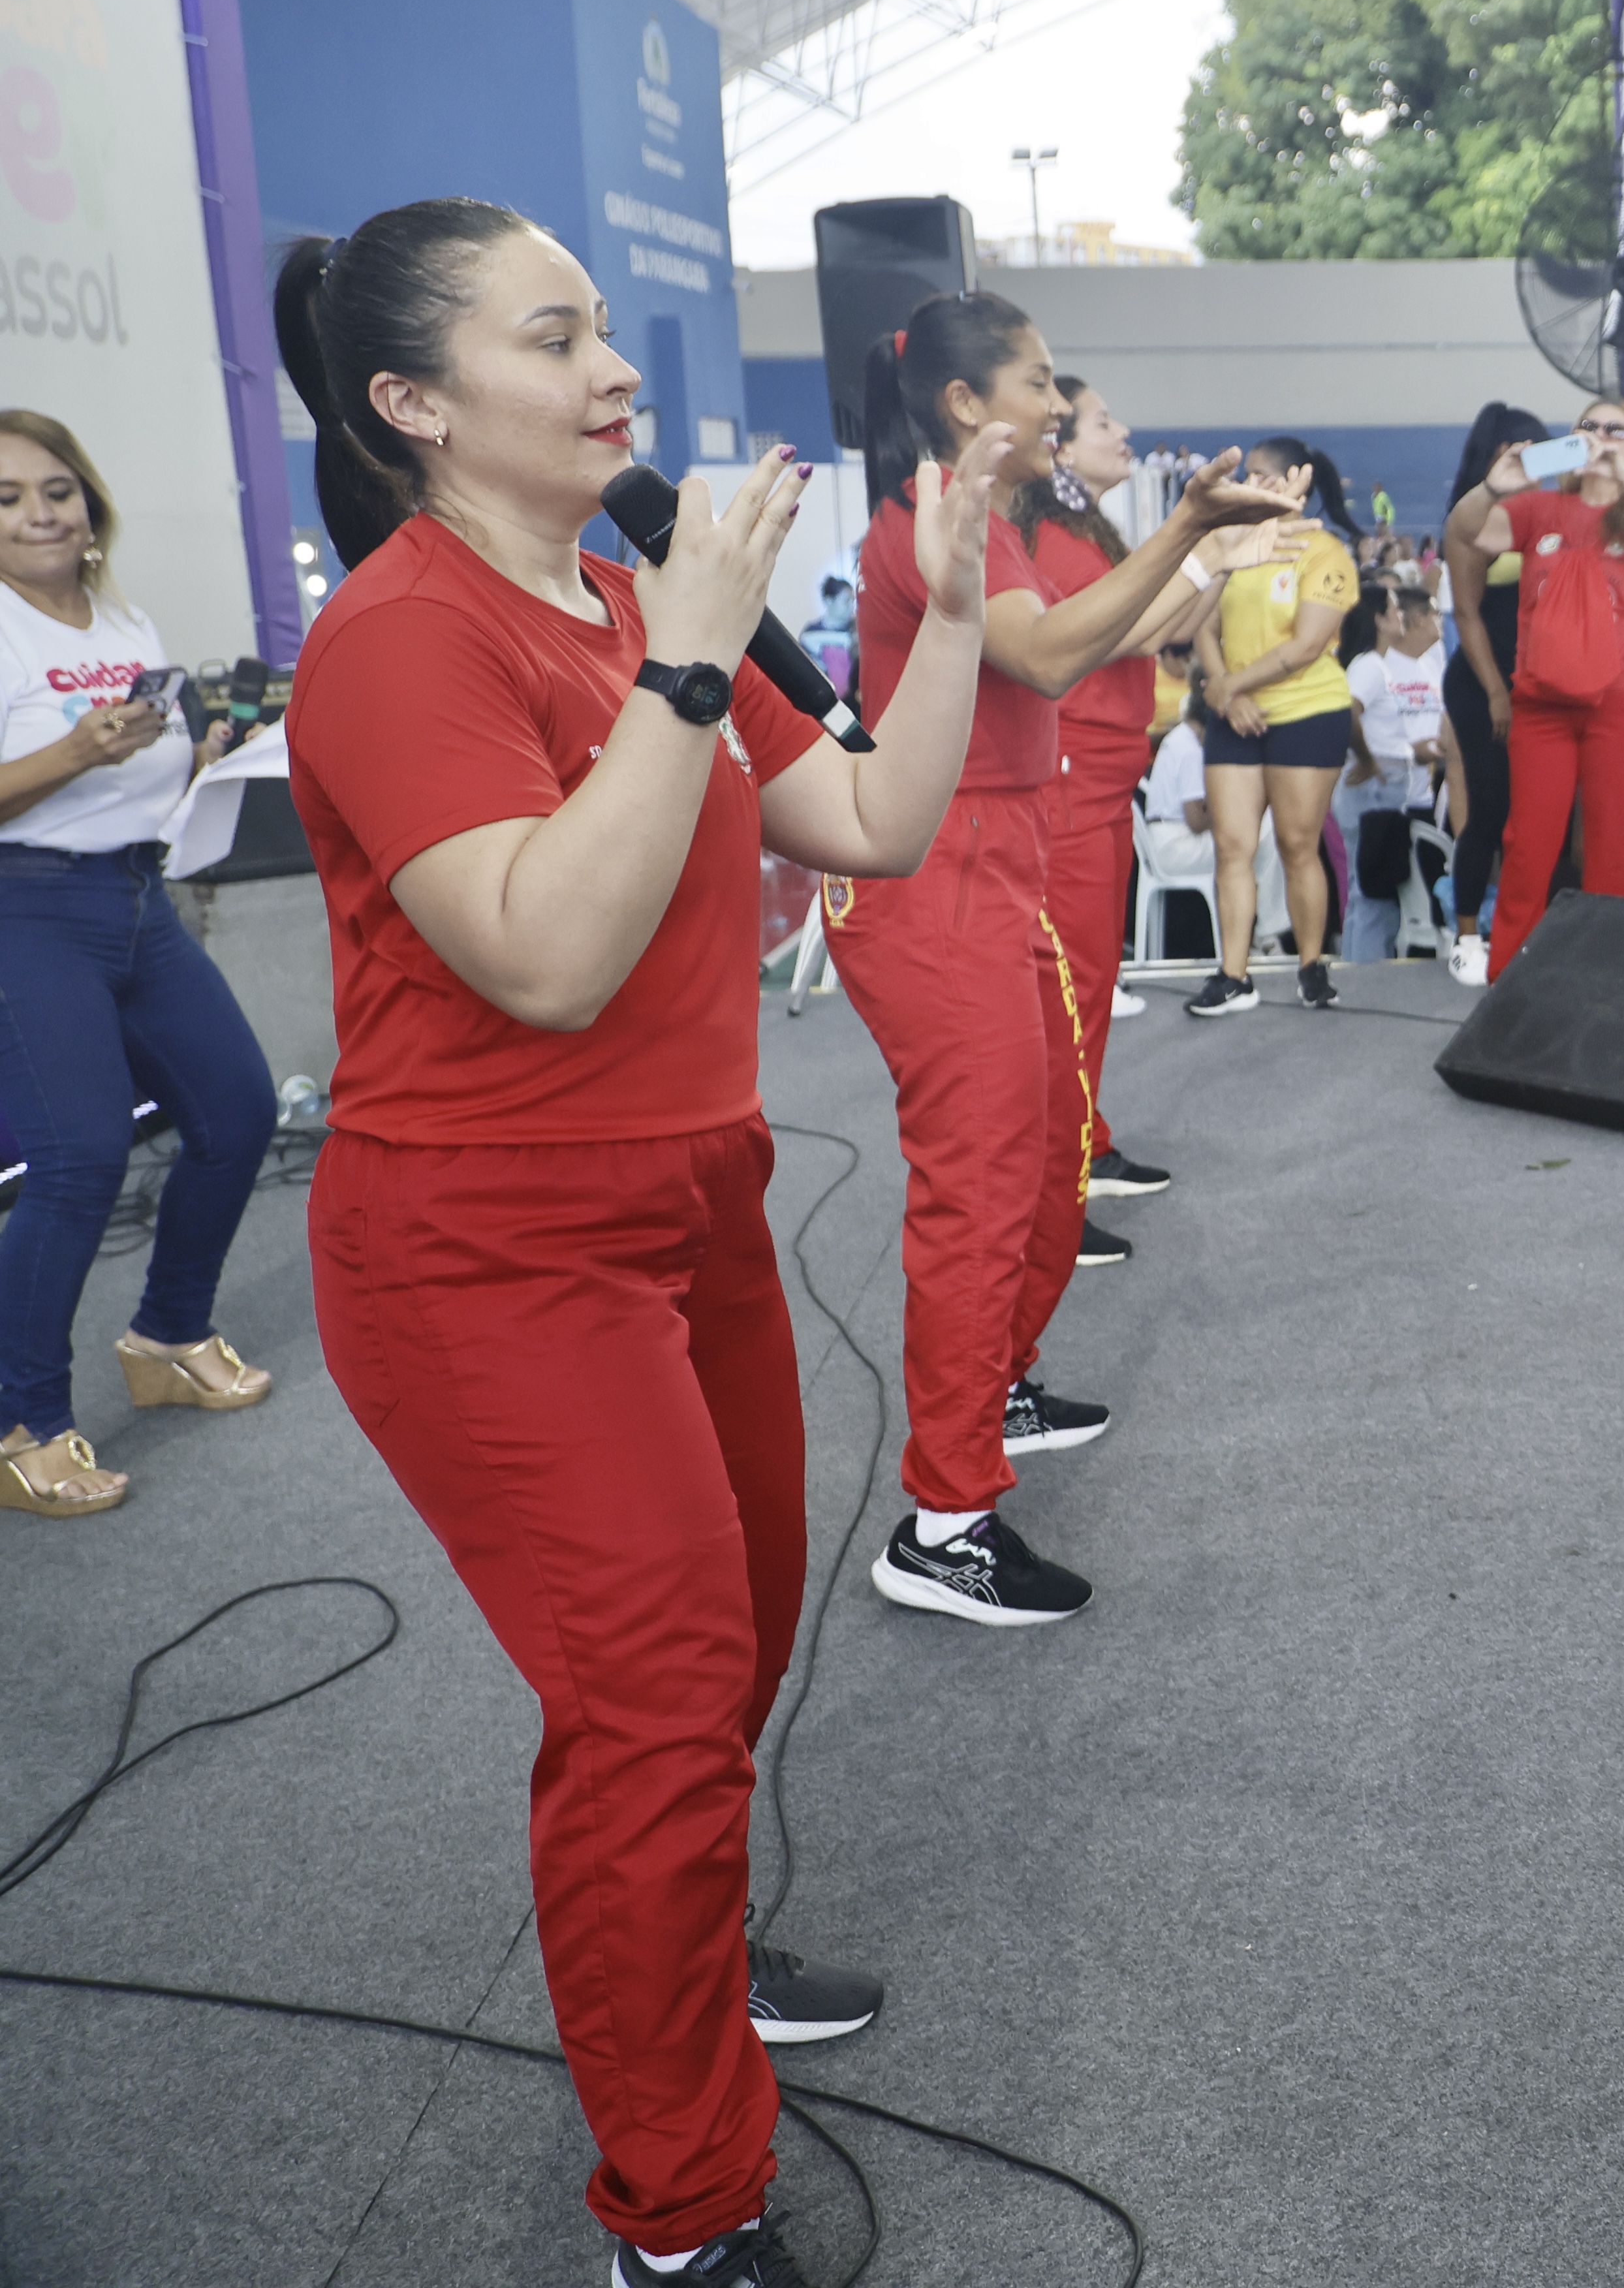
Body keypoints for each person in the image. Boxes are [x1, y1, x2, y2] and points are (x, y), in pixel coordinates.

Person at [271, 198, 1001, 2277]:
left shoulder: (613, 600)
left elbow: (866, 823)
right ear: (412, 404)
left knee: (735, 1642)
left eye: (606, 330)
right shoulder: (404, 640)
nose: (615, 372)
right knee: (662, 1697)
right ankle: (677, 2213)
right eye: (553, 336)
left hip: (694, 1211)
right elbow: (549, 959)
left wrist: (942, 617)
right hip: (486, 1252)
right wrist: (686, 653)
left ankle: (680, 1967)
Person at [834, 289, 1280, 1624]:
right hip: (936, 878)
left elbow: (1081, 640)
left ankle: (992, 1396)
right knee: (978, 1191)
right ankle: (944, 1522)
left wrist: (1187, 534)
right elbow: (1045, 656)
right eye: (1037, 382)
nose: (1058, 401)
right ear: (969, 404)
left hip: (1000, 862)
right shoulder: (930, 520)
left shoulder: (990, 516)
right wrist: (1191, 532)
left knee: (1041, 1163)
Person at [0, 411, 277, 1520]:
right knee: (76, 1164)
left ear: (89, 502)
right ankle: (26, 1424)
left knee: (240, 1112)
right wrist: (80, 748)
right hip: (28, 907)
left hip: (136, 899)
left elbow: (144, 767)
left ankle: (167, 1333)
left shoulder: (121, 615)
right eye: (9, 496)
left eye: (56, 490)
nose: (38, 512)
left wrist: (202, 758)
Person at [1016, 375, 1253, 1210]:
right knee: (1071, 994)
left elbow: (1175, 628)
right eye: (1104, 421)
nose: (1125, 433)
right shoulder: (1049, 533)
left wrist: (1229, 555)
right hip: (1073, 784)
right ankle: (1057, 1191)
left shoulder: (1084, 529)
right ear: (1059, 445)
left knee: (1088, 985)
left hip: (1102, 783)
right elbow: (1139, 628)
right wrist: (1210, 545)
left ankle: (1085, 1148)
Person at [1439, 396, 1624, 971]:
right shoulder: (1540, 509)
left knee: (1609, 852)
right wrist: (1492, 487)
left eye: (1617, 431)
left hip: (1623, 706)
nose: (1602, 436)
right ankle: (1506, 981)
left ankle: (1607, 987)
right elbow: (1465, 532)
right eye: (1589, 426)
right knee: (1528, 847)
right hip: (1543, 706)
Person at [1185, 451, 1361, 1014]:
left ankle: (1311, 964)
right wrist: (1225, 691)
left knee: (1295, 844)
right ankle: (1233, 975)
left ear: (1298, 483)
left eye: (1265, 472)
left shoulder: (1325, 552)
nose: (1251, 482)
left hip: (1307, 712)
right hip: (1235, 716)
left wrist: (1230, 686)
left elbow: (1307, 646)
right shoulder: (1235, 547)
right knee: (1232, 847)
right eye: (1249, 472)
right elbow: (1202, 626)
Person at [1435, 405, 1542, 979]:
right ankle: (1469, 934)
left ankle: (1535, 926)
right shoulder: (1472, 518)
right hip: (1485, 683)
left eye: (1536, 448)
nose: (1527, 459)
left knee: (1539, 810)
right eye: (1515, 449)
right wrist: (1497, 692)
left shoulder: (1548, 510)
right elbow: (1470, 616)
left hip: (1541, 682)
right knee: (1490, 807)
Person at [1339, 578, 1454, 958]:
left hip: (1388, 778)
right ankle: (1368, 970)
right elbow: (1349, 714)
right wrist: (1369, 759)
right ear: (1379, 619)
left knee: (1367, 886)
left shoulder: (1374, 666)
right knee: (1374, 888)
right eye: (1393, 609)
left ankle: (1358, 968)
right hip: (1378, 782)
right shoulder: (1371, 666)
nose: (1400, 615)